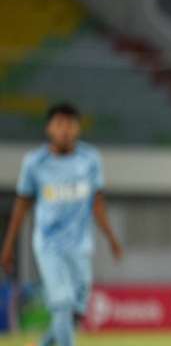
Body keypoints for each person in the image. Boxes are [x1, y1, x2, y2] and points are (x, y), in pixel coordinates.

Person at [1, 102, 123, 346]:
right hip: (49, 245)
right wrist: (8, 245)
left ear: (78, 129)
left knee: (75, 310)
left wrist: (111, 237)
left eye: (70, 124)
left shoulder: (90, 160)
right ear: (49, 128)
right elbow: (22, 205)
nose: (65, 130)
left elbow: (96, 202)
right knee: (63, 303)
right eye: (59, 124)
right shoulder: (35, 163)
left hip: (80, 247)